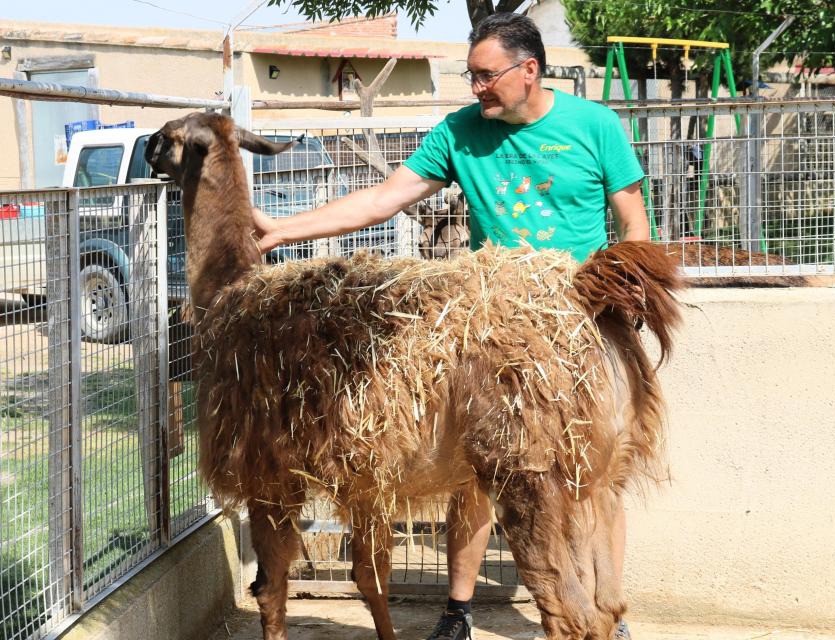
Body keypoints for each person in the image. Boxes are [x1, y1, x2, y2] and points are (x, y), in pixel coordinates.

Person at [251, 12, 647, 640]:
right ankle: (458, 610)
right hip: (502, 324)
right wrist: (283, 228)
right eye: (471, 76)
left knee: (595, 480)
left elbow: (633, 218)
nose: (476, 88)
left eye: (486, 76)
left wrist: (626, 296)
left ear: (529, 71)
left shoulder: (593, 124)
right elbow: (384, 198)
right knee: (481, 474)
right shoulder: (460, 132)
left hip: (578, 316)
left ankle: (607, 613)